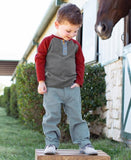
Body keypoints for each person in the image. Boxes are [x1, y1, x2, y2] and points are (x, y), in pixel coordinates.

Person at [35, 3, 98, 155]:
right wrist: (41, 81)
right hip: (51, 88)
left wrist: (78, 82)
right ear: (57, 25)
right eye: (68, 30)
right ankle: (51, 144)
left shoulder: (75, 45)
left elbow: (80, 64)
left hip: (71, 89)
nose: (72, 34)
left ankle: (85, 144)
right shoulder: (47, 42)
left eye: (76, 31)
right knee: (51, 117)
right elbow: (39, 60)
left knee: (77, 117)